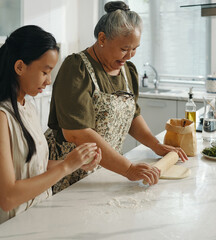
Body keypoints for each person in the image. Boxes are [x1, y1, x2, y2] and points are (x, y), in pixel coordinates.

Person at [0, 25, 101, 237]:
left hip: (36, 213)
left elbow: (32, 166)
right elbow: (7, 197)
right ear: (20, 67)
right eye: (45, 72)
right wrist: (65, 166)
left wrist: (77, 164)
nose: (48, 81)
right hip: (8, 223)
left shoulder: (27, 106)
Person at [46, 1, 188, 194]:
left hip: (107, 167)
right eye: (124, 48)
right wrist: (127, 168)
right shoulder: (76, 68)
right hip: (68, 170)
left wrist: (156, 146)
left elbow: (131, 116)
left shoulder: (126, 70)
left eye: (135, 48)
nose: (130, 55)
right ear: (102, 38)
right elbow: (77, 132)